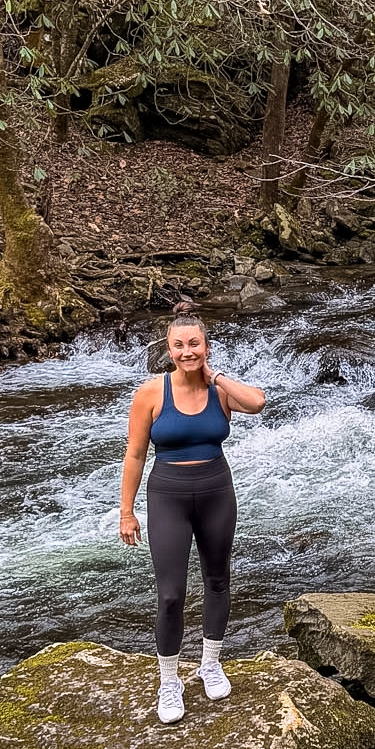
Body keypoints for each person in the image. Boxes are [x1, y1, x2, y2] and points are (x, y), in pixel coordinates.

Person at [120, 299, 266, 724]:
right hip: (168, 495)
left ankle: (210, 663)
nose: (187, 352)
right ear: (169, 350)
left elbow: (257, 403)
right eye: (179, 346)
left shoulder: (219, 390)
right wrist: (126, 512)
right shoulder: (151, 393)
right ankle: (169, 681)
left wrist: (215, 376)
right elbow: (134, 455)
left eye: (195, 344)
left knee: (217, 580)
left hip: (217, 491)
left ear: (206, 346)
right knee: (171, 594)